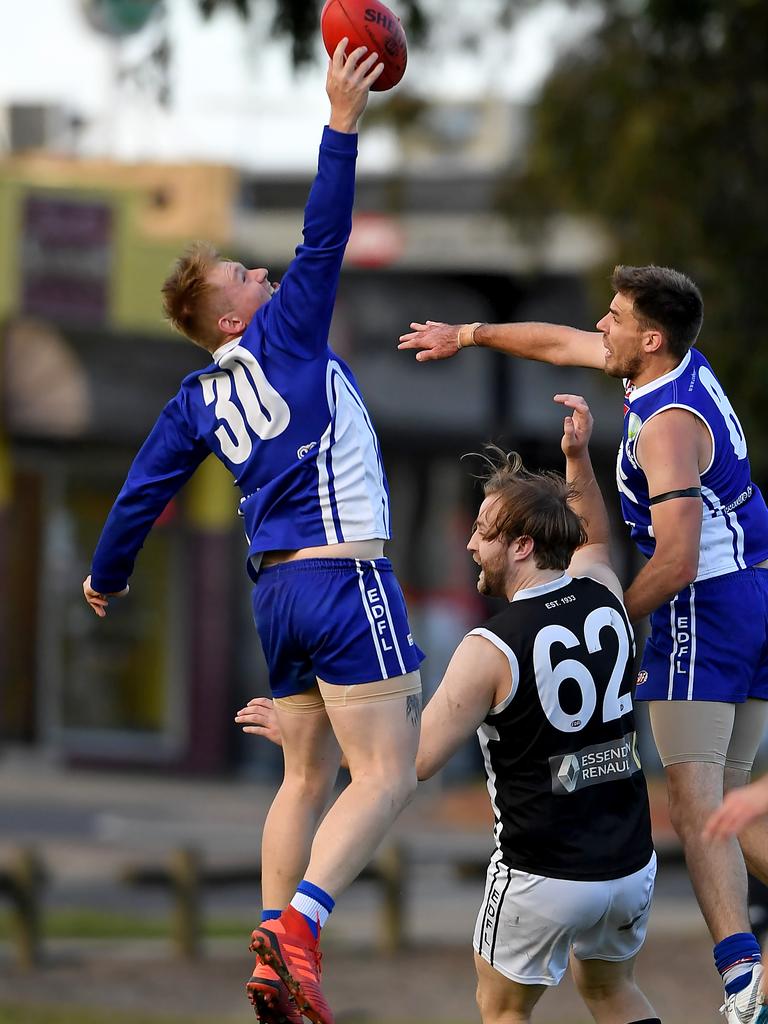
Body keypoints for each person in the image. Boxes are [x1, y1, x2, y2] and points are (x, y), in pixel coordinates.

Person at [82, 42, 424, 1024]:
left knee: (307, 773)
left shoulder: (195, 395)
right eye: (244, 271)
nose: (262, 270)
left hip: (275, 593)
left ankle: (272, 942)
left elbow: (144, 487)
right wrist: (341, 119)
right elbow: (325, 234)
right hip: (342, 578)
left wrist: (106, 573)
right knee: (388, 774)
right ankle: (303, 929)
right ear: (228, 312)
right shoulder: (283, 335)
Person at [398, 265, 768, 1023]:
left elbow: (677, 559)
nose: (600, 326)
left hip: (708, 606)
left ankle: (742, 985)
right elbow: (560, 344)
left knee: (697, 812)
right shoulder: (672, 368)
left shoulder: (666, 428)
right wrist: (467, 334)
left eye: (615, 316)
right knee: (733, 813)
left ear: (651, 338)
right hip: (756, 591)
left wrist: (605, 625)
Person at [238, 395, 661, 1024]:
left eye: (483, 533)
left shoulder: (488, 648)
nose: (468, 544)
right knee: (611, 992)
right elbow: (595, 534)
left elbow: (409, 761)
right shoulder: (604, 591)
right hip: (630, 864)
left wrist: (307, 730)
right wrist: (577, 461)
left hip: (542, 873)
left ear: (521, 546)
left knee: (503, 1012)